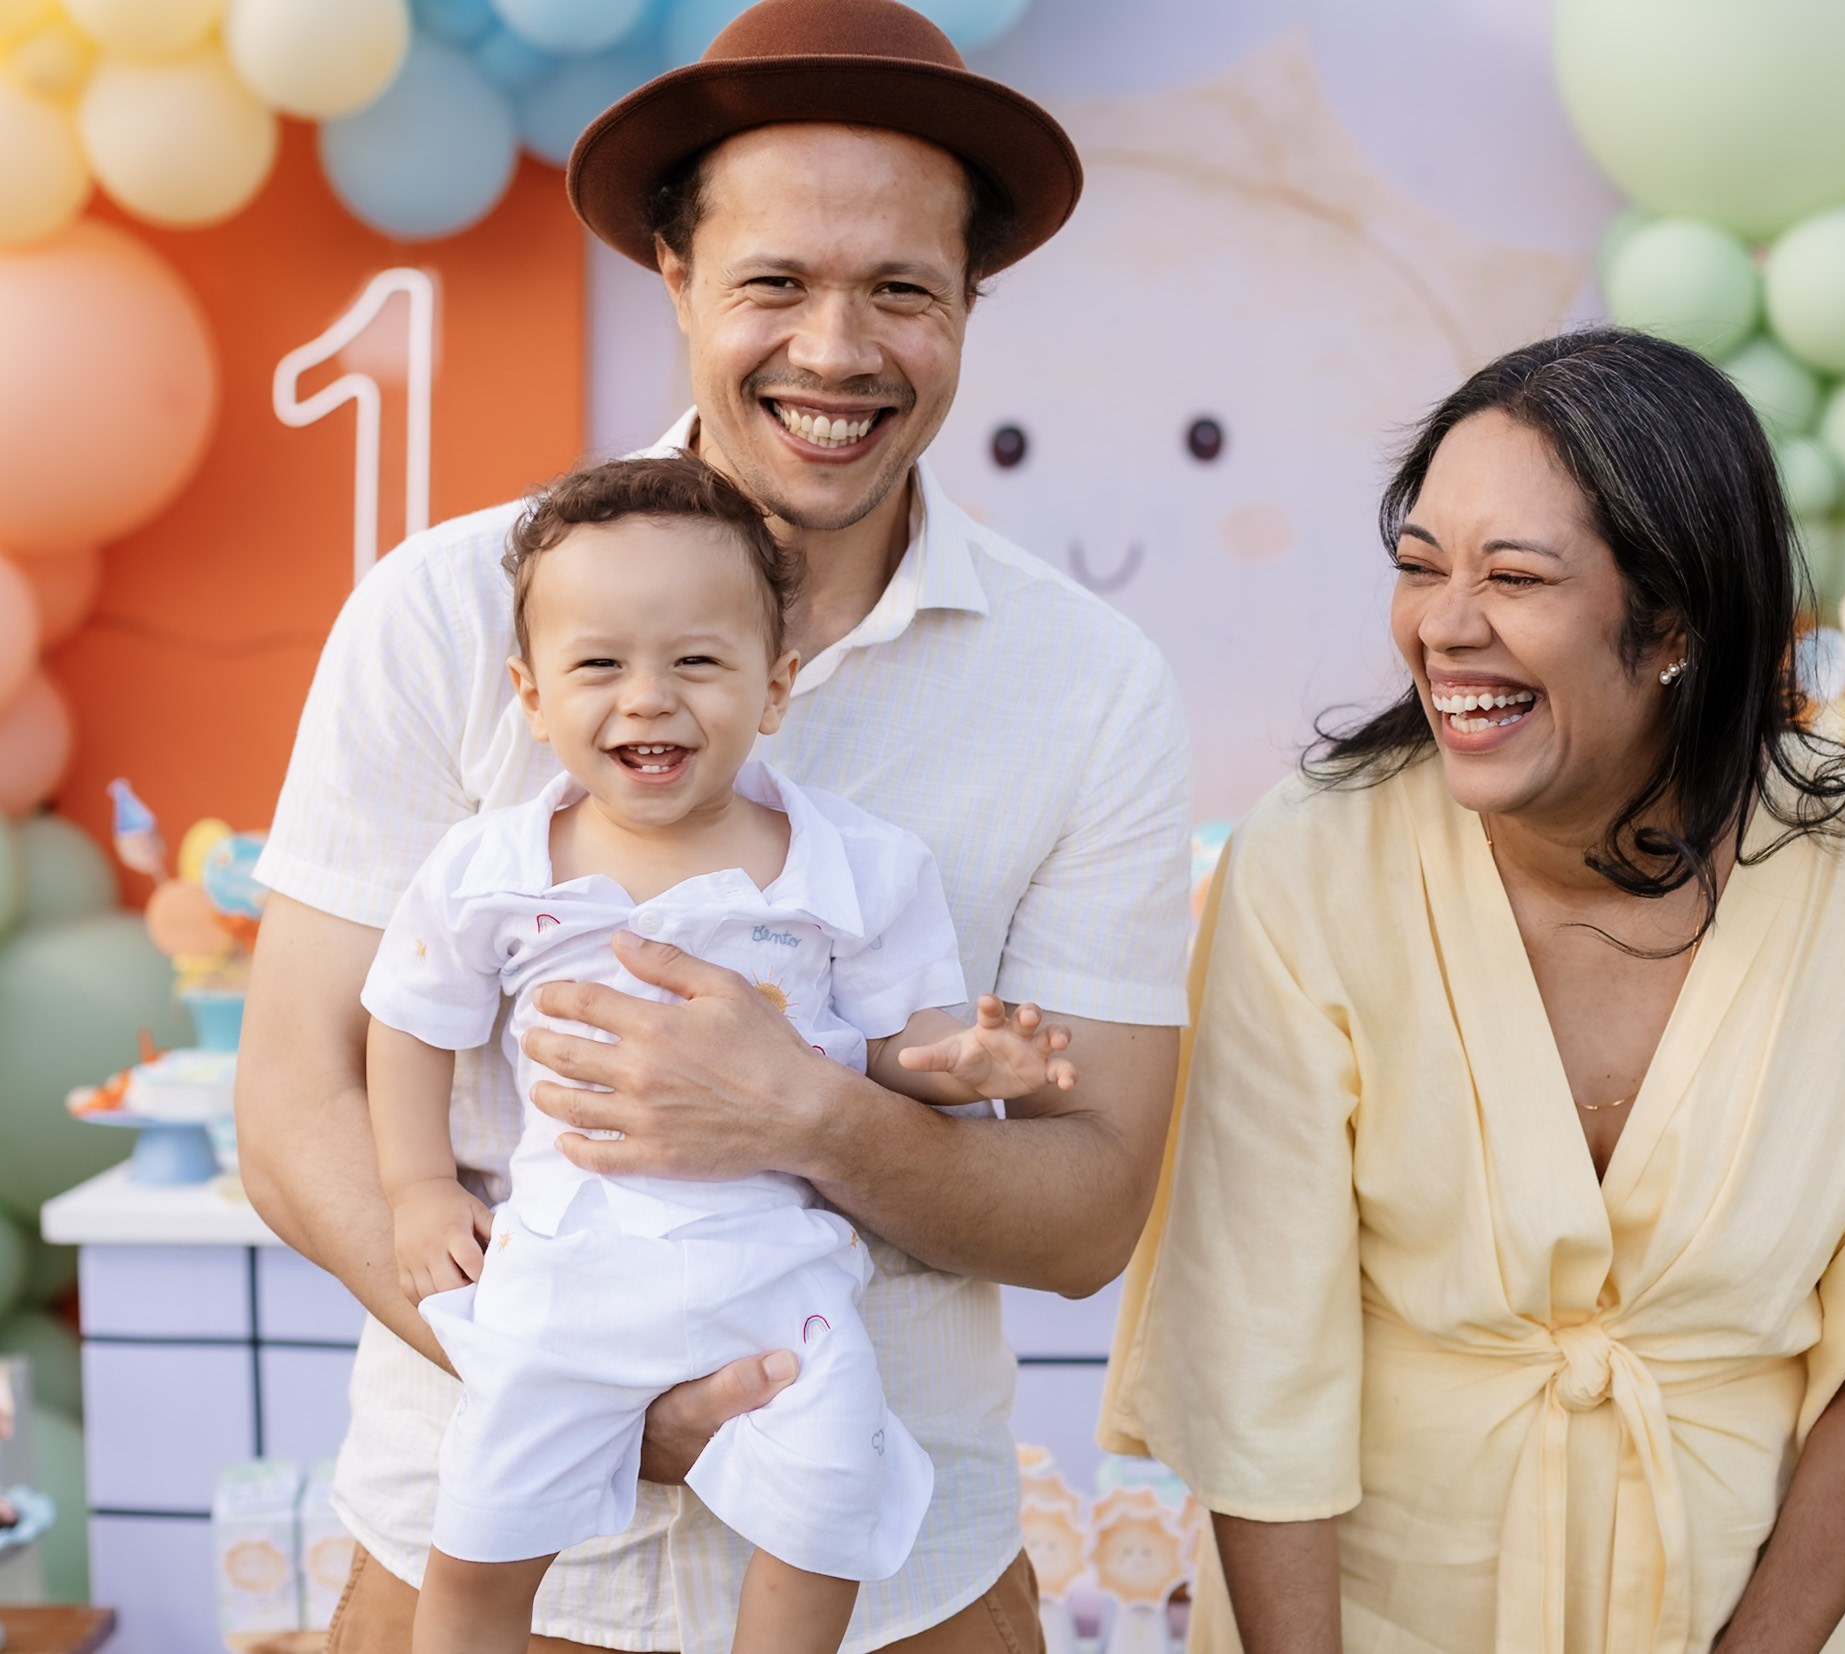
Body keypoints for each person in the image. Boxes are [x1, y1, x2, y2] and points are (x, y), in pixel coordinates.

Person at [237, 1, 1193, 1650]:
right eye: (774, 284)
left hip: (899, 1580)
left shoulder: (1087, 684)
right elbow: (290, 1098)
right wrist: (576, 1374)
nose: (836, 350)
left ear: (969, 303)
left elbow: (1090, 1208)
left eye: (901, 287)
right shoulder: (448, 609)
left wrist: (814, 1111)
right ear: (676, 281)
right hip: (481, 1544)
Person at [1099, 329, 1845, 1654]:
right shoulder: (1312, 859)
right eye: (1419, 564)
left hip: (1741, 1610)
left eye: (1513, 574)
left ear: (1675, 622)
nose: (1443, 625)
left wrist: (1762, 1644)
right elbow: (1254, 1339)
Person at [366, 454, 1082, 1654]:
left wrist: (972, 1064)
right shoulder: (497, 869)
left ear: (776, 685)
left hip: (772, 1279)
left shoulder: (849, 867)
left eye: (696, 661)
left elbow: (895, 1051)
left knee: (826, 1505)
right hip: (558, 1280)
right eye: (598, 664)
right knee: (480, 1533)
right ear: (529, 694)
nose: (648, 699)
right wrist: (415, 1187)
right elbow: (409, 1018)